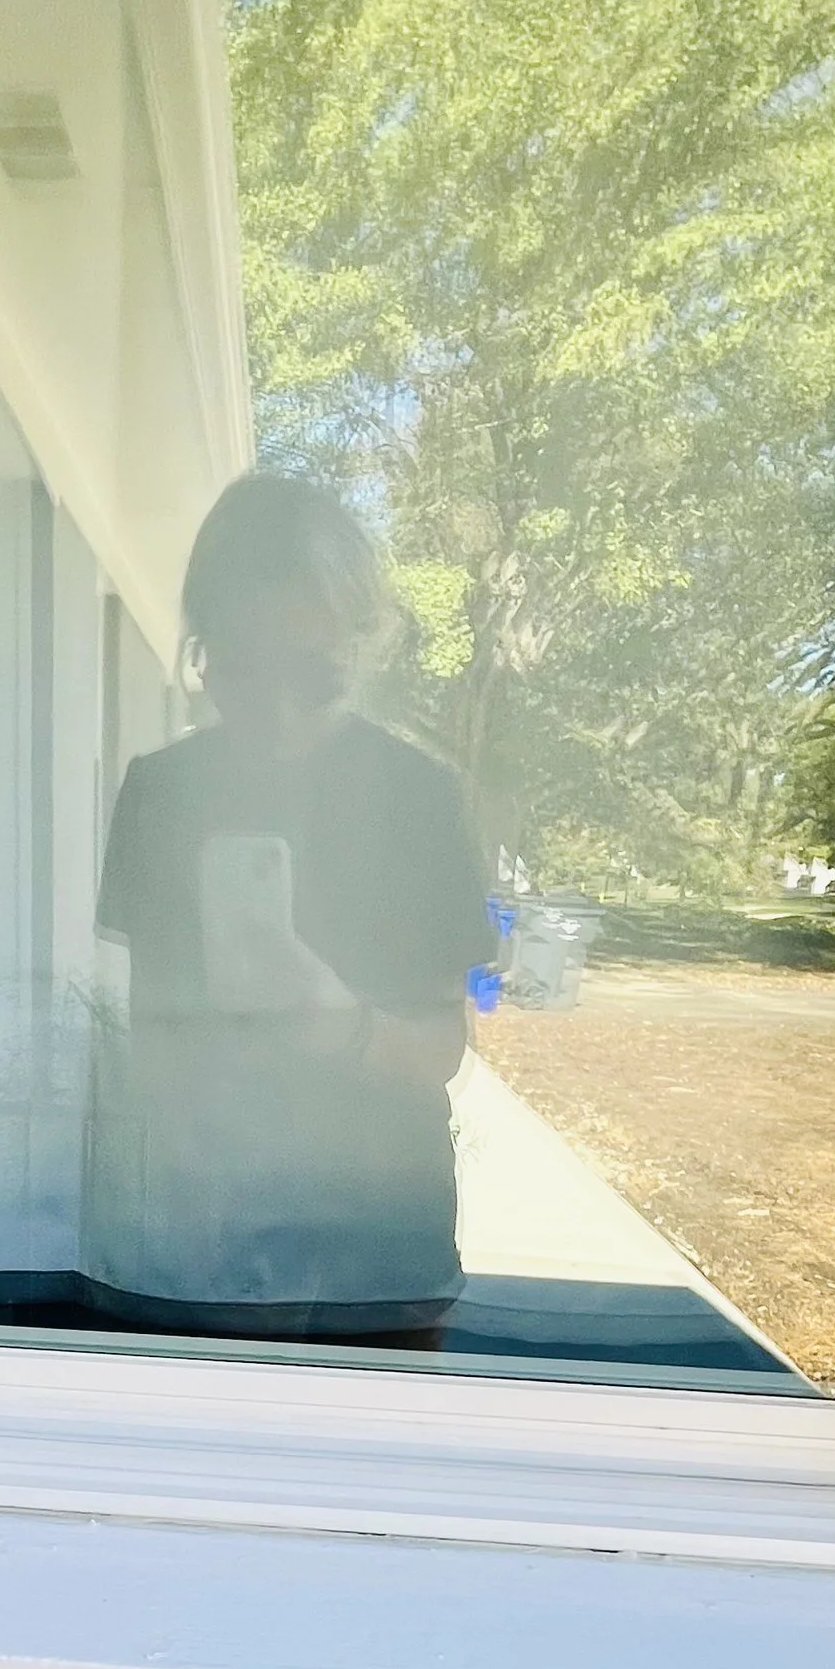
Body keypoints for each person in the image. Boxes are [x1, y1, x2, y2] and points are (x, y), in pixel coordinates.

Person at [85, 472, 496, 1335]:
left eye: (311, 676)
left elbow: (443, 1049)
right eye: (239, 668)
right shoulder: (158, 794)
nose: (274, 708)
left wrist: (334, 1022)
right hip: (207, 1236)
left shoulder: (422, 799)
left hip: (380, 1246)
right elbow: (152, 1049)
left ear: (359, 647)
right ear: (202, 649)